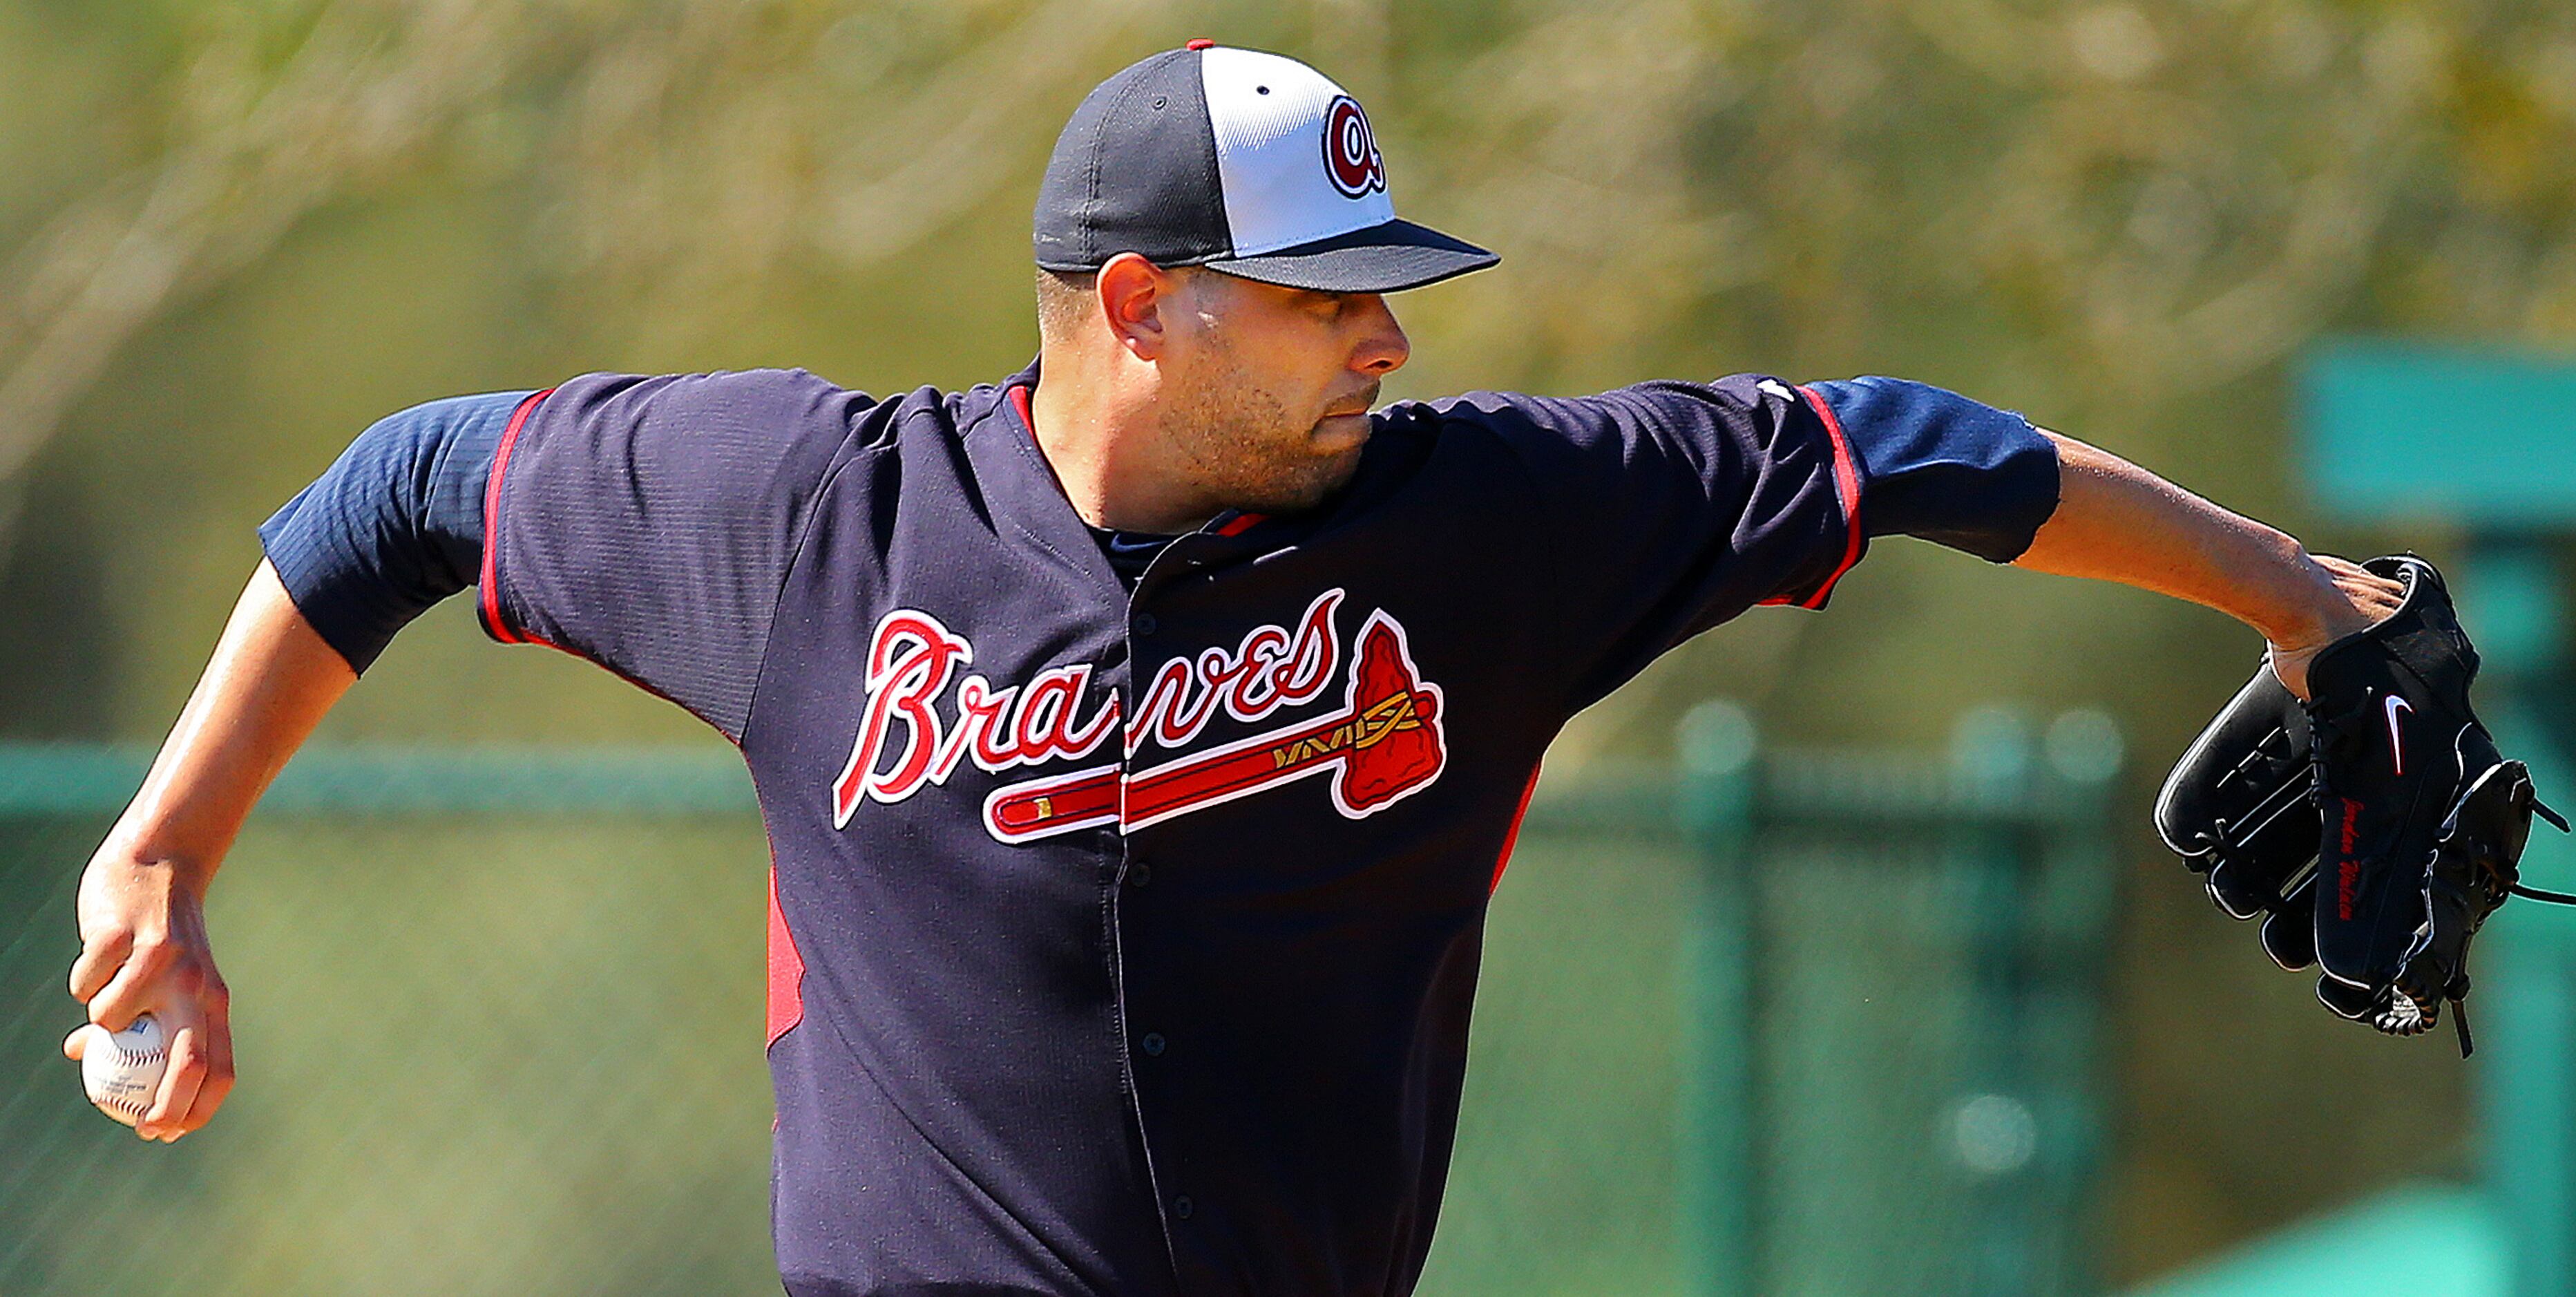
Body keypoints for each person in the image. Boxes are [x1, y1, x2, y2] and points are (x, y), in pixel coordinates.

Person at [63, 42, 2401, 1297]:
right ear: (1141, 304)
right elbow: (388, 497)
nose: (1392, 333)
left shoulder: (1485, 523)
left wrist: (2303, 601)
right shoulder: (815, 520)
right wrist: (171, 842)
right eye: (1327, 292)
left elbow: (1910, 456)